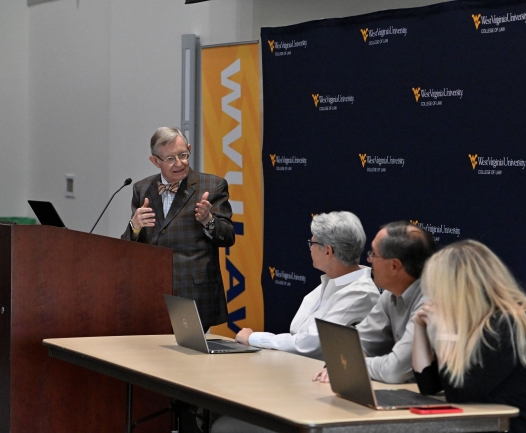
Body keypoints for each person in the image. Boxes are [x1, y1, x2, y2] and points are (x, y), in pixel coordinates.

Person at [412, 240, 526, 433]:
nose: (432, 296)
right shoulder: (470, 325)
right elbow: (428, 386)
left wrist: (444, 333)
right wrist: (419, 328)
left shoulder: (507, 325)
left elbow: (460, 396)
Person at [122, 127, 235, 329]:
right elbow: (128, 245)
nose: (180, 163)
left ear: (189, 149)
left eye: (183, 155)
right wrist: (135, 226)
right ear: (155, 161)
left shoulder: (212, 185)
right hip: (151, 291)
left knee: (188, 358)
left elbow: (228, 237)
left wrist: (208, 220)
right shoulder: (142, 188)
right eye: (170, 159)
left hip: (192, 293)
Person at [234, 211, 380, 359]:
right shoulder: (330, 282)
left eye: (312, 243)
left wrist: (254, 338)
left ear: (328, 251)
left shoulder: (360, 293)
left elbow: (312, 343)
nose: (310, 248)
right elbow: (297, 331)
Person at [313, 220, 436, 384]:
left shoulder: (432, 301)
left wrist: (352, 365)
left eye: (374, 254)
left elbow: (395, 371)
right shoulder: (390, 294)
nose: (369, 260)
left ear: (394, 266)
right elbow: (358, 343)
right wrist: (340, 363)